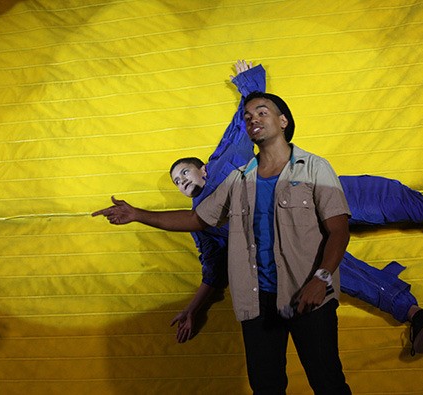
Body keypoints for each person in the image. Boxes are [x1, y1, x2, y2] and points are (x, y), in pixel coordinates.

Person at [168, 60, 423, 355]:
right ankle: (417, 315)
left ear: (202, 169)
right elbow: (212, 270)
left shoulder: (222, 160)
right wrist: (192, 309)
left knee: (373, 196)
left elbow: (245, 120)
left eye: (184, 171)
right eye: (176, 182)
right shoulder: (199, 220)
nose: (181, 180)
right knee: (347, 277)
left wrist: (248, 82)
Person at [93, 91, 353, 393]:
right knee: (266, 387)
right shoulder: (239, 179)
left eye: (261, 112)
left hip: (310, 294)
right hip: (257, 302)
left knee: (328, 383)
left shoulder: (314, 168)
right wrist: (137, 214)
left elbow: (339, 230)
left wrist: (320, 279)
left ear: (283, 121)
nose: (253, 118)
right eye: (247, 116)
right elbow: (197, 219)